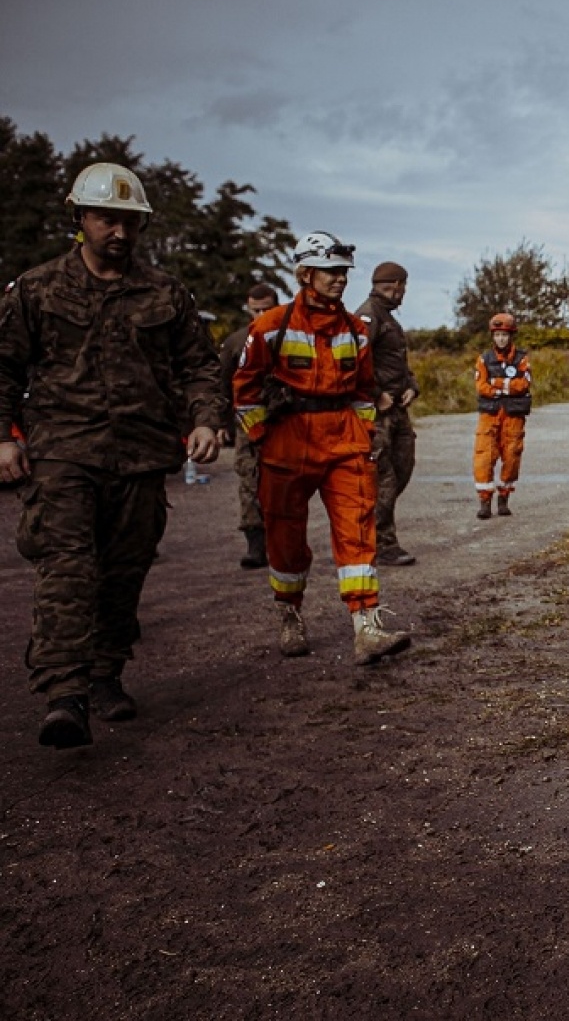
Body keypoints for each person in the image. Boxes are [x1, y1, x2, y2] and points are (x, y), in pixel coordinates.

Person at [0, 162, 227, 748]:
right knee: (67, 569)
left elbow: (200, 365)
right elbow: (3, 367)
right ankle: (64, 694)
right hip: (64, 452)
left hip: (142, 456)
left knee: (124, 571)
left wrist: (207, 419)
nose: (119, 232)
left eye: (130, 222)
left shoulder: (166, 294)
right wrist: (3, 436)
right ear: (80, 218)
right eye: (107, 219)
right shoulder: (37, 288)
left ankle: (105, 674)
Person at [232, 231, 411, 664]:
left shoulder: (354, 330)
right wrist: (260, 438)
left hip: (344, 440)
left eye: (343, 272)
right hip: (287, 443)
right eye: (330, 272)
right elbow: (244, 389)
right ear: (305, 273)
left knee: (358, 529)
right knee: (286, 539)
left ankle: (366, 625)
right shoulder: (270, 326)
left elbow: (365, 390)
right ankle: (290, 614)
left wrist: (363, 434)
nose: (340, 280)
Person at [355, 261, 420, 565]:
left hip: (397, 409)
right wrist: (374, 394)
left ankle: (374, 535)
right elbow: (354, 360)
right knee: (384, 478)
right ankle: (382, 543)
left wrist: (412, 386)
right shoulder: (368, 316)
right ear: (394, 285)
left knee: (402, 469)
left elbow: (398, 365)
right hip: (377, 414)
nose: (403, 292)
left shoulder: (388, 319)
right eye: (401, 286)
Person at [219, 283, 281, 568]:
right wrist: (222, 424)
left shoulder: (289, 339)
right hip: (248, 422)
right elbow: (223, 385)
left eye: (267, 308)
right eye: (256, 310)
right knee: (249, 481)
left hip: (284, 421)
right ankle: (256, 543)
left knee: (284, 483)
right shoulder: (236, 342)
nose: (261, 314)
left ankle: (282, 542)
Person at [472, 312, 532, 520]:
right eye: (497, 335)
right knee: (484, 456)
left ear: (511, 336)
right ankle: (485, 501)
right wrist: (506, 387)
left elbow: (523, 384)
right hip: (490, 414)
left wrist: (497, 384)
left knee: (512, 455)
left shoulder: (522, 359)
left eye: (504, 335)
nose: (501, 339)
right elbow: (481, 386)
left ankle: (504, 498)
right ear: (493, 336)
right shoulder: (484, 359)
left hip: (513, 416)